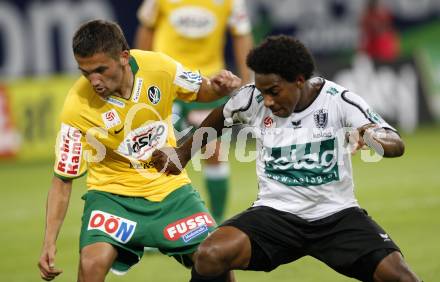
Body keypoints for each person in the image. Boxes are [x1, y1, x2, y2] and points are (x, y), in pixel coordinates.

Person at [152, 35, 422, 281]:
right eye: (262, 91)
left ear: (299, 81)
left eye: (274, 91)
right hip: (276, 215)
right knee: (210, 255)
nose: (266, 101)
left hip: (336, 216)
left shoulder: (337, 99)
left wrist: (373, 136)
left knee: (402, 278)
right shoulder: (254, 99)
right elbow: (222, 116)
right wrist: (184, 153)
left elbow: (395, 143)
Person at [37, 19, 240, 282]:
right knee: (91, 265)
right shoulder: (77, 106)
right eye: (86, 72)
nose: (94, 81)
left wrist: (220, 87)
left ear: (123, 56)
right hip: (113, 196)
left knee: (218, 259)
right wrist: (49, 242)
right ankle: (121, 249)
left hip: (169, 189)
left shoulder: (159, 67)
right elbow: (62, 179)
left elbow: (203, 90)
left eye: (101, 69)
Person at [135, 0, 254, 223]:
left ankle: (217, 222)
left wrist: (247, 81)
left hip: (207, 85)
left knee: (214, 152)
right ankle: (153, 224)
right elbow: (146, 29)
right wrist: (142, 72)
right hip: (167, 80)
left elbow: (242, 34)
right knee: (154, 150)